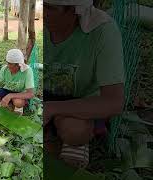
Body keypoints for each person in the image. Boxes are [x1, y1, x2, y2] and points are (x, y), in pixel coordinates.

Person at [44, 0, 125, 168]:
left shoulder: (103, 31)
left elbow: (114, 102)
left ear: (75, 10)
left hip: (81, 104)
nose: (42, 12)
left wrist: (52, 108)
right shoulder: (36, 26)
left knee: (75, 131)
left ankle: (72, 139)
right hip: (44, 96)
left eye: (49, 7)